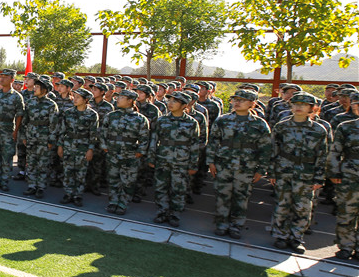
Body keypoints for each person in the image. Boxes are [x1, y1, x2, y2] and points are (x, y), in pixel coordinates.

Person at [206, 89, 271, 239]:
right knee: (222, 195)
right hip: (224, 164)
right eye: (235, 99)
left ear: (252, 104)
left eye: (242, 100)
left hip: (246, 167)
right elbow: (213, 142)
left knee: (241, 197)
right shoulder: (222, 120)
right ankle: (221, 224)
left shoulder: (259, 124)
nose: (237, 102)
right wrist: (211, 162)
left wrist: (261, 169)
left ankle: (236, 225)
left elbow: (265, 148)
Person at [269, 92, 328, 253]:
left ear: (311, 108)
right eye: (296, 103)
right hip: (284, 171)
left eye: (303, 104)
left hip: (306, 174)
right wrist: (272, 172)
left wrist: (319, 177)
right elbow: (274, 150)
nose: (299, 107)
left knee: (303, 208)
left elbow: (322, 155)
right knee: (282, 205)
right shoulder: (282, 126)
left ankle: (296, 238)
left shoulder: (318, 129)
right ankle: (281, 236)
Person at [147, 91, 201, 227]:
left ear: (184, 105)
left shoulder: (191, 123)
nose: (170, 103)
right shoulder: (162, 120)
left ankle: (175, 214)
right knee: (161, 186)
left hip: (181, 160)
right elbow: (154, 140)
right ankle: (162, 211)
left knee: (179, 188)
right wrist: (152, 157)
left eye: (174, 101)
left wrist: (193, 164)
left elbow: (195, 145)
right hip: (163, 158)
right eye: (169, 100)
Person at [100, 89, 149, 215]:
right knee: (113, 179)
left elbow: (144, 138)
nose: (118, 99)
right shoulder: (111, 116)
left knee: (128, 181)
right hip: (113, 153)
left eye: (121, 97)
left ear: (130, 101)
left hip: (130, 155)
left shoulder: (140, 119)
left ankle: (123, 203)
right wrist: (105, 146)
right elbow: (103, 132)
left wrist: (139, 152)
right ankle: (113, 202)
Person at [56, 88, 100, 206]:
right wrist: (60, 146)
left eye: (78, 97)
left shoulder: (92, 114)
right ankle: (68, 193)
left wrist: (90, 149)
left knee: (81, 173)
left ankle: (78, 195)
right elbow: (62, 131)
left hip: (83, 147)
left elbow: (93, 134)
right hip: (69, 145)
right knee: (68, 171)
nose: (74, 99)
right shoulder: (68, 112)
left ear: (85, 100)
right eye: (74, 96)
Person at [329, 93, 359, 259]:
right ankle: (346, 246)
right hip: (349, 176)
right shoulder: (346, 127)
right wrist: (334, 172)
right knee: (346, 212)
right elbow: (335, 151)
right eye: (357, 105)